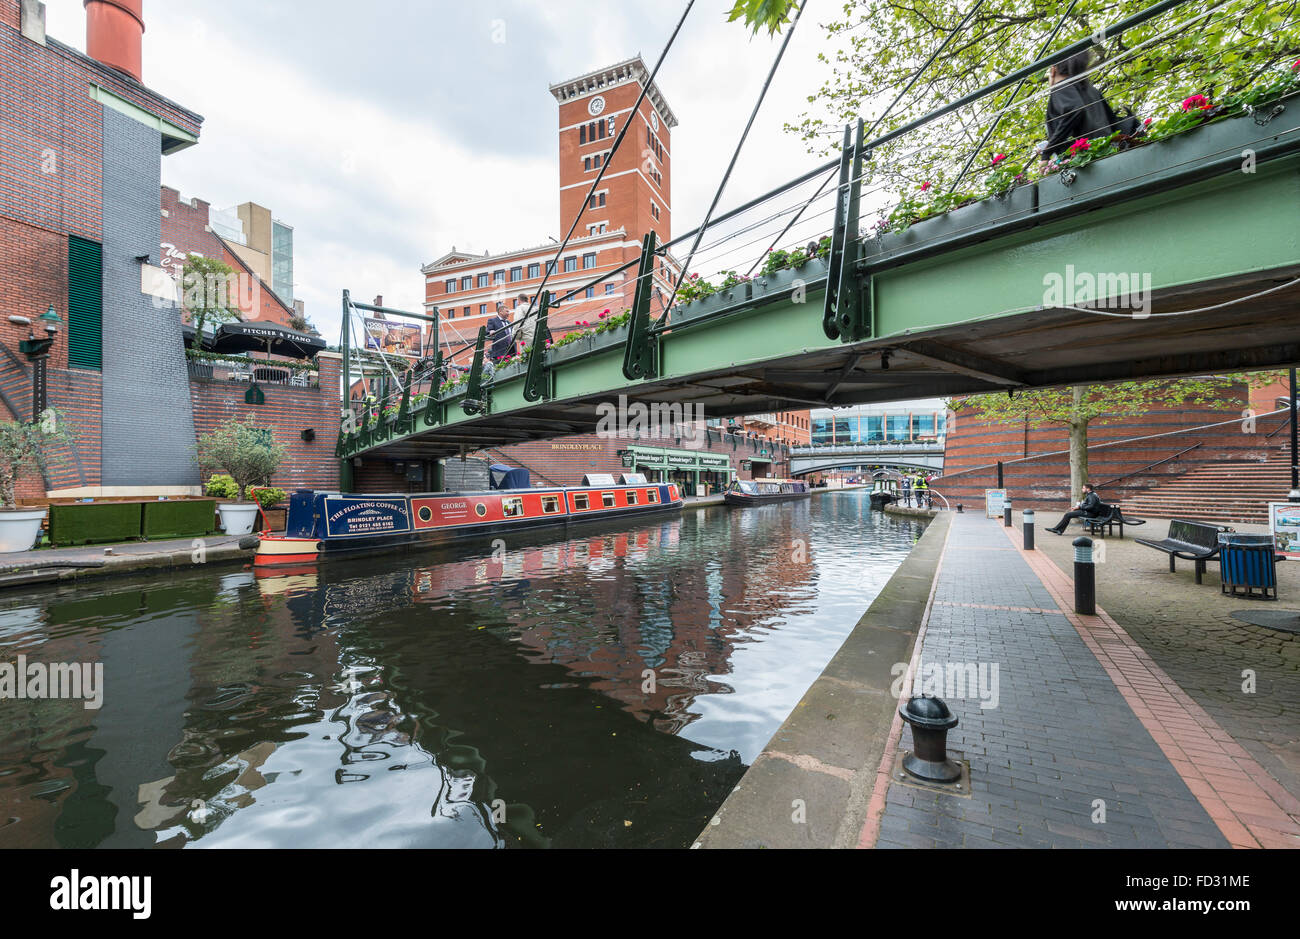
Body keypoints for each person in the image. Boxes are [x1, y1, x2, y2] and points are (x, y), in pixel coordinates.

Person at [1039, 49, 1138, 172]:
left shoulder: (1061, 87)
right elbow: (1112, 121)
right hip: (1108, 153)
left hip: (1086, 164)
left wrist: (1047, 153)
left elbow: (1074, 110)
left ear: (1053, 70)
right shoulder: (1092, 90)